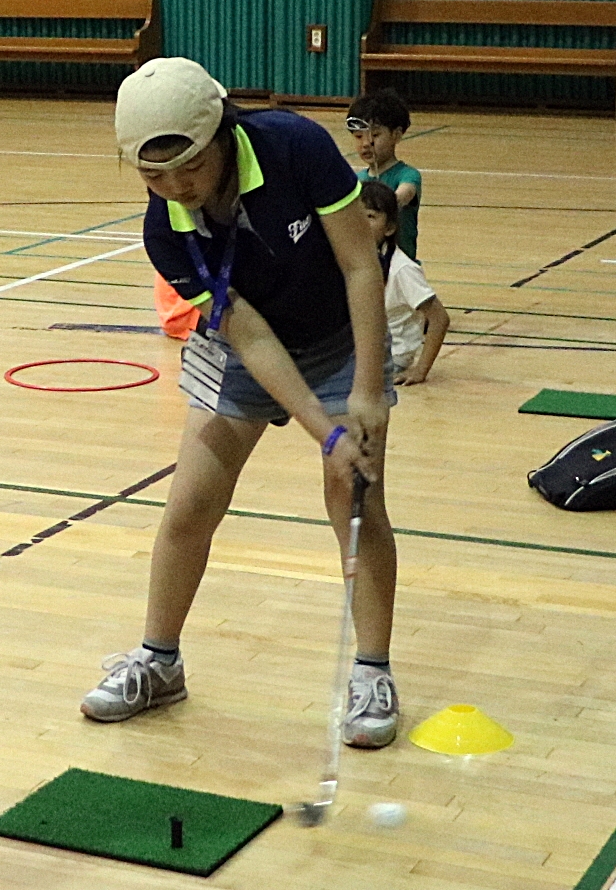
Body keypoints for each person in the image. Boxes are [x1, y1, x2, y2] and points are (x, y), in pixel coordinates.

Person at [88, 59, 405, 745]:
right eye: (154, 176)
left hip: (340, 337)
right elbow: (251, 339)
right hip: (244, 348)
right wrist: (326, 433)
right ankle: (160, 662)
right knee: (190, 503)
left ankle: (373, 671)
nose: (177, 187)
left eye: (190, 168)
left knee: (354, 500)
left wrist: (365, 391)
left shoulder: (296, 146)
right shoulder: (166, 232)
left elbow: (360, 265)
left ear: (222, 133)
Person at [359, 180, 447, 387]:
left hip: (390, 357)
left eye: (370, 216)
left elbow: (440, 318)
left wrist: (420, 370)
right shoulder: (356, 258)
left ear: (389, 228)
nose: (360, 222)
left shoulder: (402, 269)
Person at [348, 88, 422, 259]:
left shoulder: (407, 175)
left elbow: (404, 194)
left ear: (396, 135)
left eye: (375, 135)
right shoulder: (357, 180)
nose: (366, 143)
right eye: (358, 137)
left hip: (401, 267)